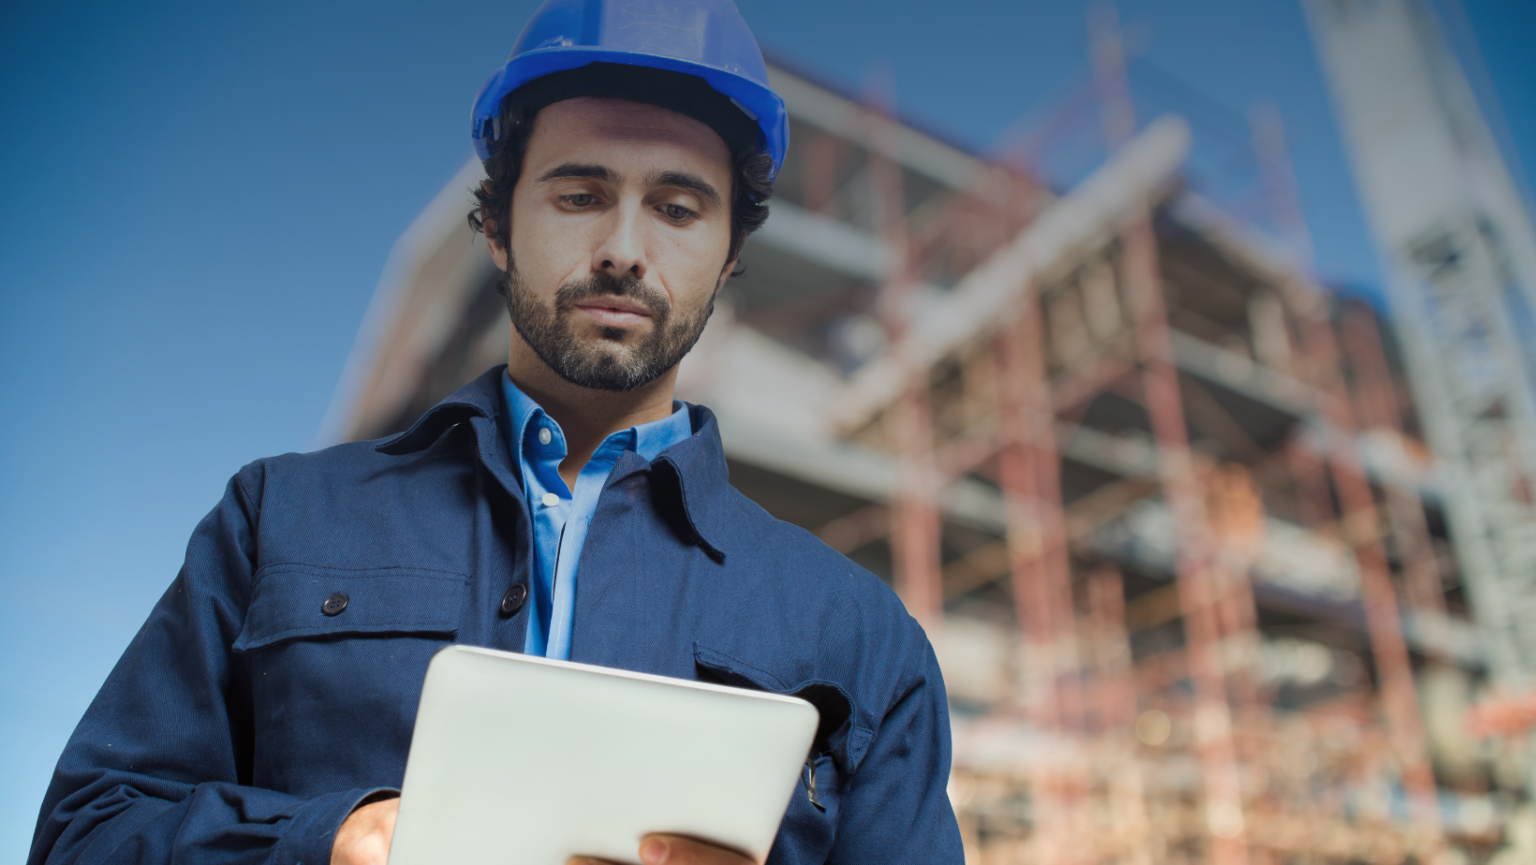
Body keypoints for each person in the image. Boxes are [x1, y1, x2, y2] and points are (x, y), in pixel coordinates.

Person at [28, 1, 963, 863]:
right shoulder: (279, 519)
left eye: (678, 209)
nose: (625, 249)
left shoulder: (858, 633)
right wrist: (328, 840)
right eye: (579, 194)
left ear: (728, 258)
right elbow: (83, 832)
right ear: (497, 229)